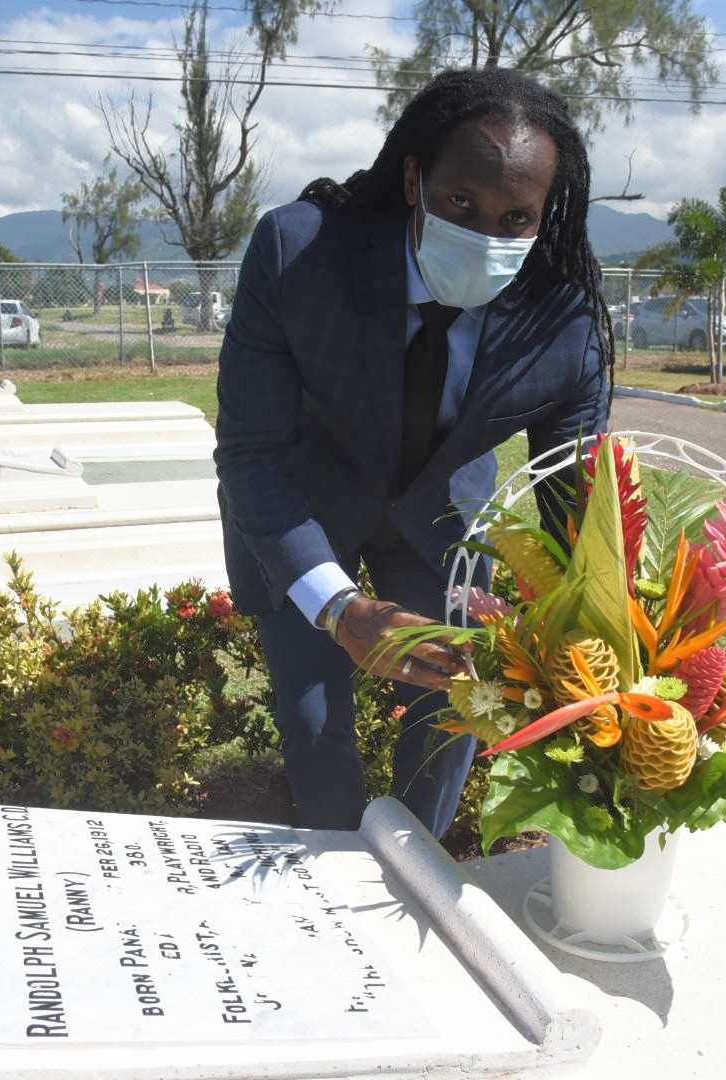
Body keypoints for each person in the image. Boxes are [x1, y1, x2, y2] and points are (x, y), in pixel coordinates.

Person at [213, 67, 613, 838]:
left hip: (440, 515)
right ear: (411, 178)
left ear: (544, 215)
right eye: (462, 202)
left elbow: (578, 500)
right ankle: (332, 860)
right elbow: (252, 451)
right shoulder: (301, 256)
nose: (486, 233)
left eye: (516, 217)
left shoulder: (565, 320)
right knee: (314, 716)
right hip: (306, 504)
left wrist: (596, 630)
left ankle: (416, 864)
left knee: (454, 707)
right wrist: (338, 607)